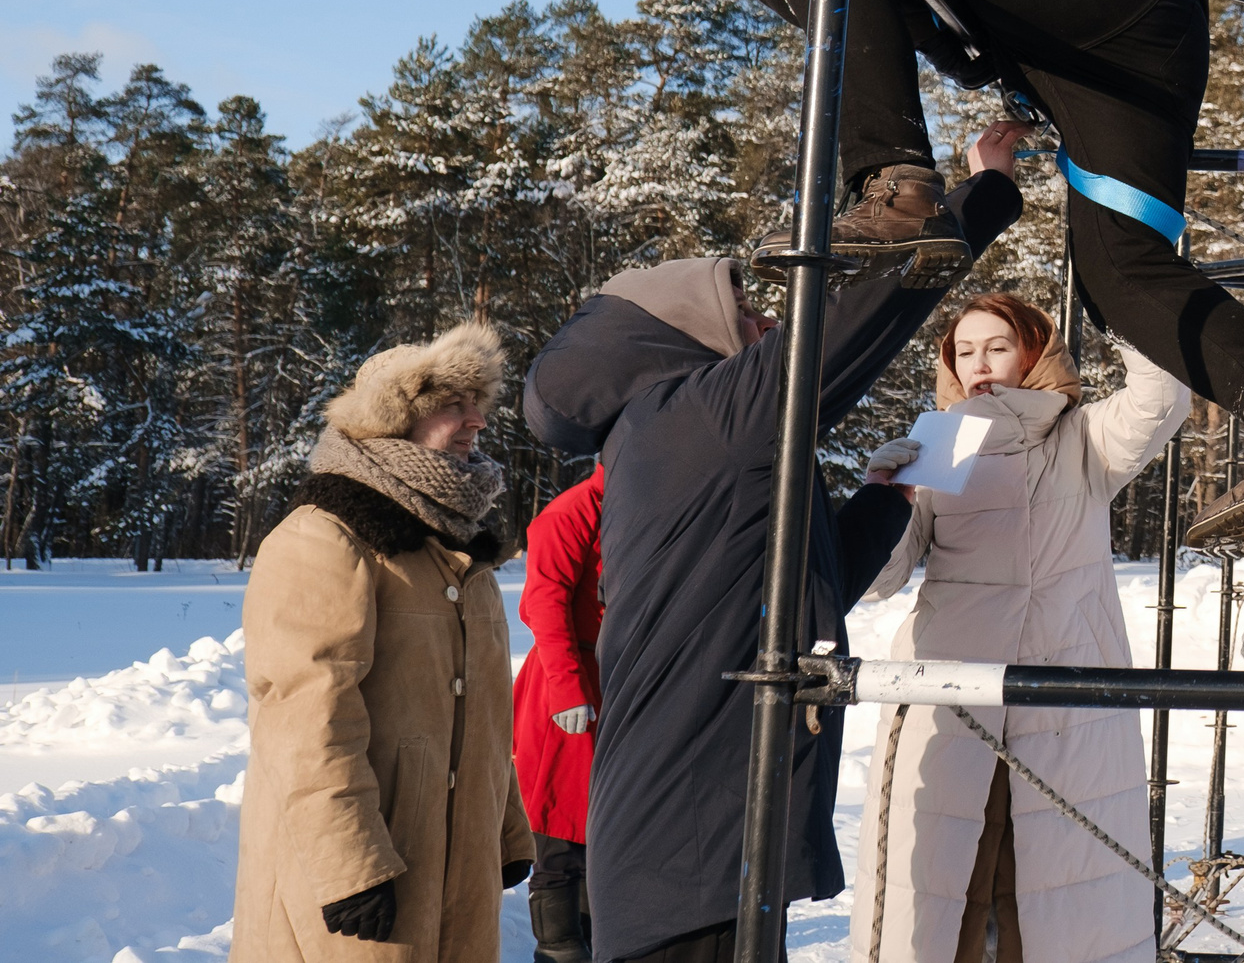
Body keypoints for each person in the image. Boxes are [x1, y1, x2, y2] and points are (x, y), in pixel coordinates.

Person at [742, 0, 1244, 558]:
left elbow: (917, 16)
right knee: (1120, 269)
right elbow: (953, 43)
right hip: (1132, 36)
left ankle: (899, 183)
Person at [520, 122, 1024, 963]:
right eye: (745, 312)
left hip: (705, 817)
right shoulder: (690, 416)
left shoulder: (679, 439)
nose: (765, 325)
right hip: (689, 831)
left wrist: (879, 500)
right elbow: (858, 321)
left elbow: (798, 585)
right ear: (683, 335)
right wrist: (982, 196)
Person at [848, 291, 1192, 963]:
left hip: (1066, 708)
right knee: (946, 907)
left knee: (1054, 907)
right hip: (950, 701)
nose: (978, 363)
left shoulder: (1083, 438)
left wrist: (1118, 279)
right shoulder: (937, 447)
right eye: (964, 351)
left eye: (997, 347)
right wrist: (884, 495)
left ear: (1035, 354)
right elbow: (880, 576)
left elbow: (1163, 398)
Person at [234, 321, 535, 961]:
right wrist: (351, 866)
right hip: (360, 881)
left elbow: (481, 712)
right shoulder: (323, 538)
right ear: (392, 420)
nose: (475, 421)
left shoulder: (457, 551)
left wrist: (505, 831)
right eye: (453, 405)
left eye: (478, 404)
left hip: (453, 869)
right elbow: (305, 718)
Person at [513, 466, 606, 963]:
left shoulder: (642, 502)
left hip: (613, 684)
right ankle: (561, 952)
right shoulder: (570, 512)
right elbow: (544, 601)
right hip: (566, 685)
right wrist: (567, 687)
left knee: (602, 837)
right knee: (560, 842)